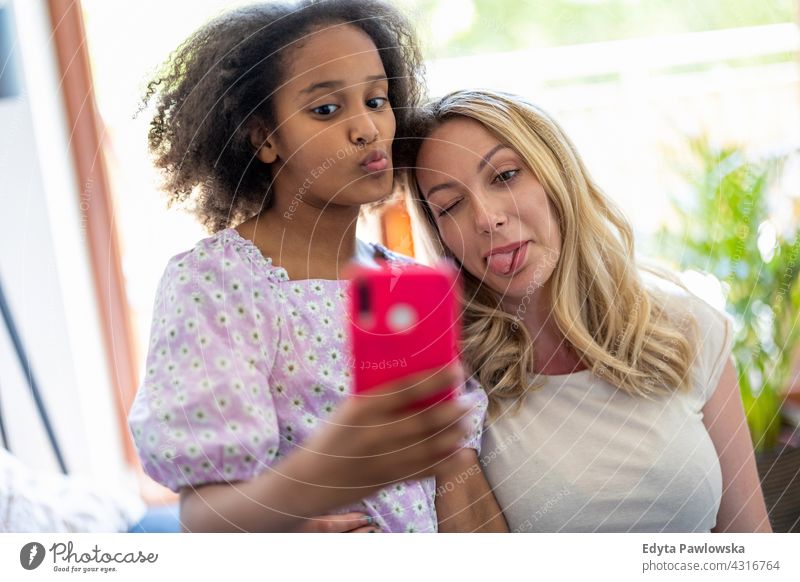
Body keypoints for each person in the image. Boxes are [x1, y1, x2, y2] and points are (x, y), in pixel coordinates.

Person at [129, 2, 506, 533]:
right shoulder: (217, 283)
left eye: (377, 100)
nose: (368, 129)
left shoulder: (402, 285)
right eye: (326, 110)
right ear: (264, 137)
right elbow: (203, 516)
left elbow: (457, 477)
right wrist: (306, 500)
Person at [402, 88, 772, 532]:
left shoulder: (689, 329)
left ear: (557, 173)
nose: (486, 218)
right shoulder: (451, 379)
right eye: (451, 206)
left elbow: (751, 548)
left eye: (504, 176)